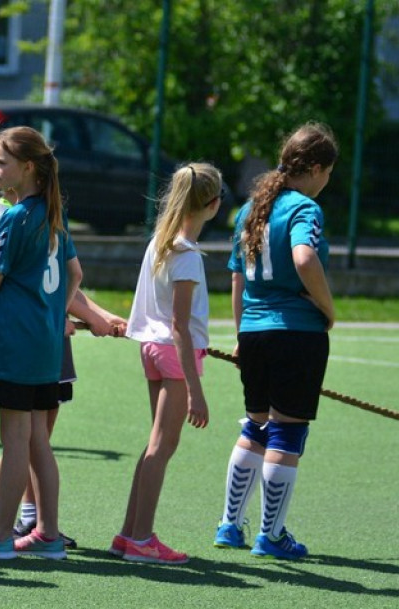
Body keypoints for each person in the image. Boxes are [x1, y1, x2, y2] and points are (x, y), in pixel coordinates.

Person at [0, 180, 128, 550]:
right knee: (25, 437)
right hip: (38, 334)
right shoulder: (8, 216)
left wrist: (100, 315)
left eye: (2, 161)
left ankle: (34, 520)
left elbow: (61, 279)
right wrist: (72, 314)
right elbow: (35, 284)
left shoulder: (47, 215)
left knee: (36, 433)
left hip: (44, 334)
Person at [0, 126, 81, 560]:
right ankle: (47, 534)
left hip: (17, 345)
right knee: (37, 441)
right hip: (45, 344)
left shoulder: (14, 216)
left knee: (14, 441)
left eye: (1, 163)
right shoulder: (53, 215)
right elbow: (75, 276)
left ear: (27, 168)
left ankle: (0, 534)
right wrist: (54, 310)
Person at [213, 123, 338, 560]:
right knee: (286, 431)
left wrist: (241, 334)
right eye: (328, 174)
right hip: (295, 332)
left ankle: (230, 525)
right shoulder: (305, 208)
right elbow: (304, 258)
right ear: (317, 168)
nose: (326, 184)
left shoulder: (252, 209)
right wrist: (328, 309)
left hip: (255, 331)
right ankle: (271, 534)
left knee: (256, 425)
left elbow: (236, 276)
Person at [109, 163, 223, 565]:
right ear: (212, 205)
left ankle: (129, 534)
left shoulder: (160, 241)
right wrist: (196, 391)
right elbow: (180, 326)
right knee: (163, 445)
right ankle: (141, 539)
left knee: (154, 443)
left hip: (152, 351)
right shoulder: (187, 254)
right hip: (174, 354)